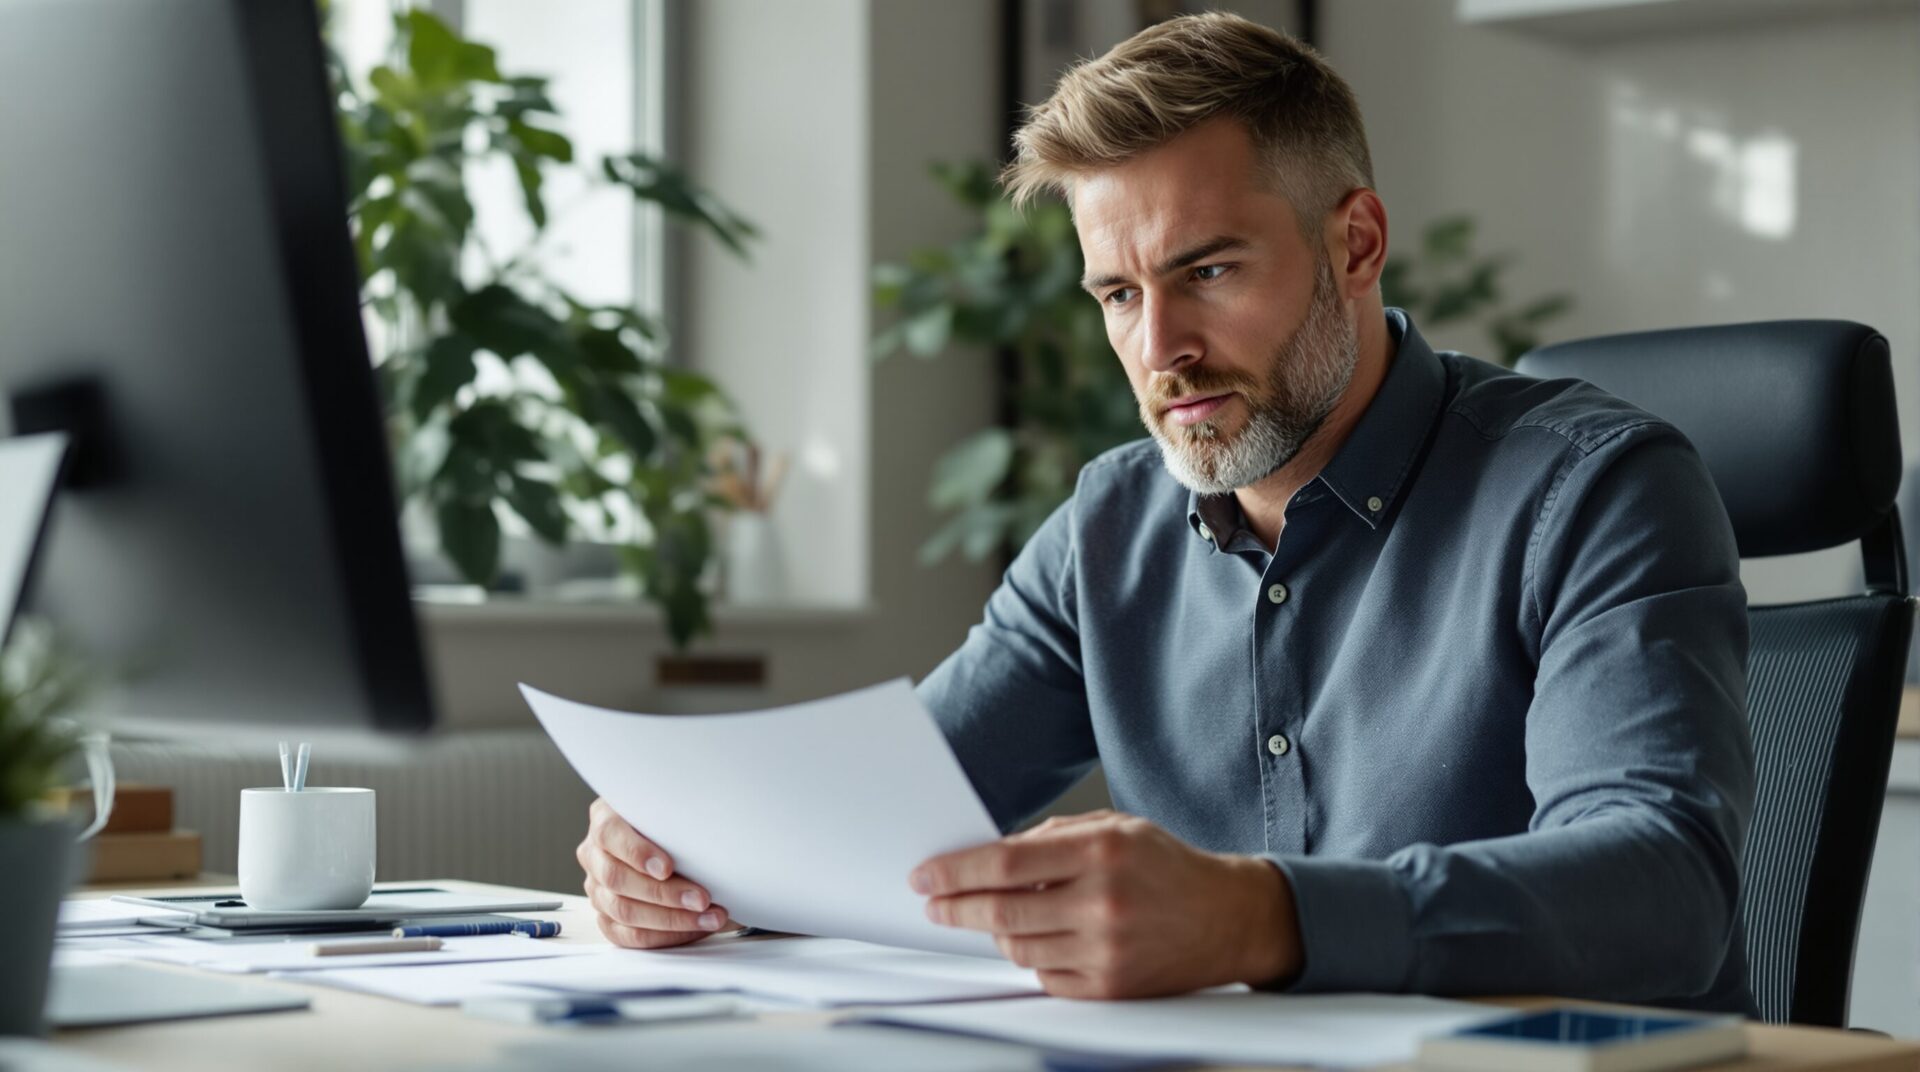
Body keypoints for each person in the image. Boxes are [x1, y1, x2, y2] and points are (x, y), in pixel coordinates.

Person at [576, 11, 1754, 1012]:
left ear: (1356, 242)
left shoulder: (1593, 488)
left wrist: (1262, 917)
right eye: (1119, 293)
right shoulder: (1110, 529)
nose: (1161, 350)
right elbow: (889, 817)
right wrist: (689, 859)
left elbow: (1663, 891)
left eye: (1209, 271)